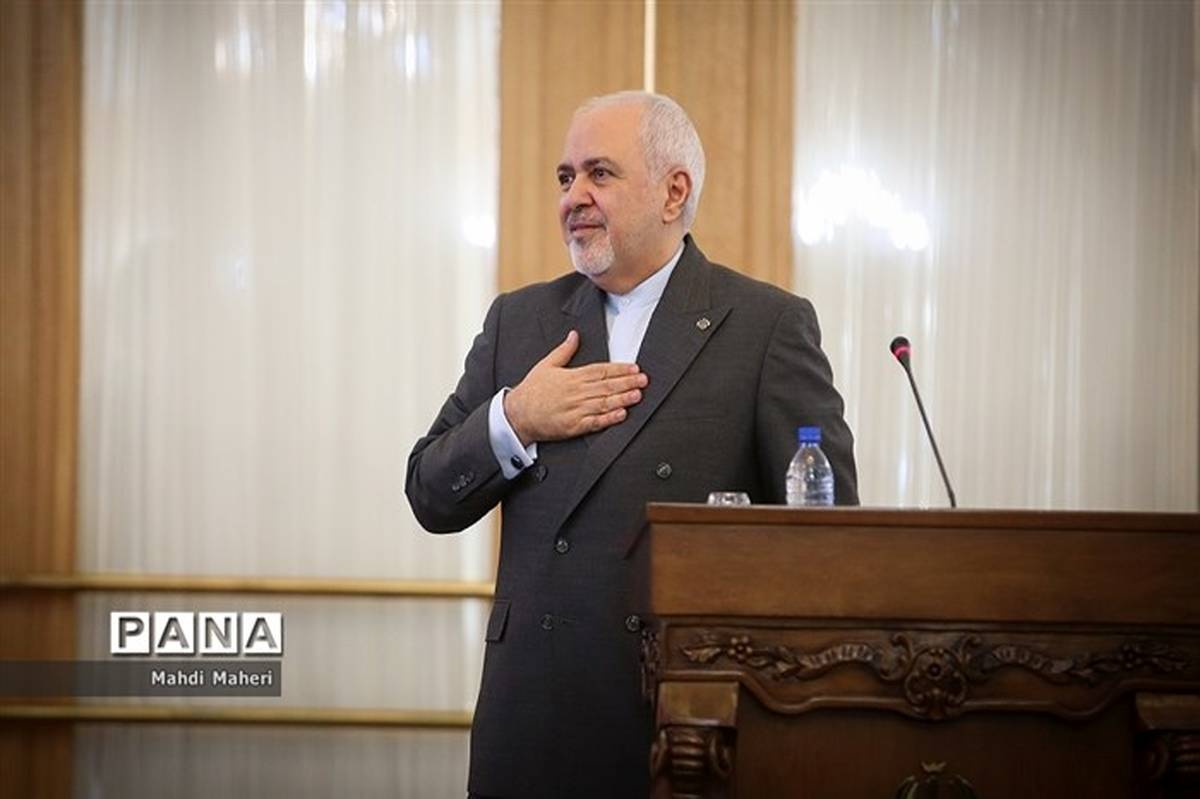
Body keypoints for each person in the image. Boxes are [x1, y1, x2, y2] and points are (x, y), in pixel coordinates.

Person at [406, 91, 858, 799]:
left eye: (599, 173)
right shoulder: (518, 321)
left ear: (674, 191)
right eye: (565, 177)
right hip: (533, 718)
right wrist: (517, 417)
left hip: (686, 724)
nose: (573, 197)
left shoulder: (766, 325)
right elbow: (429, 495)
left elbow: (825, 541)